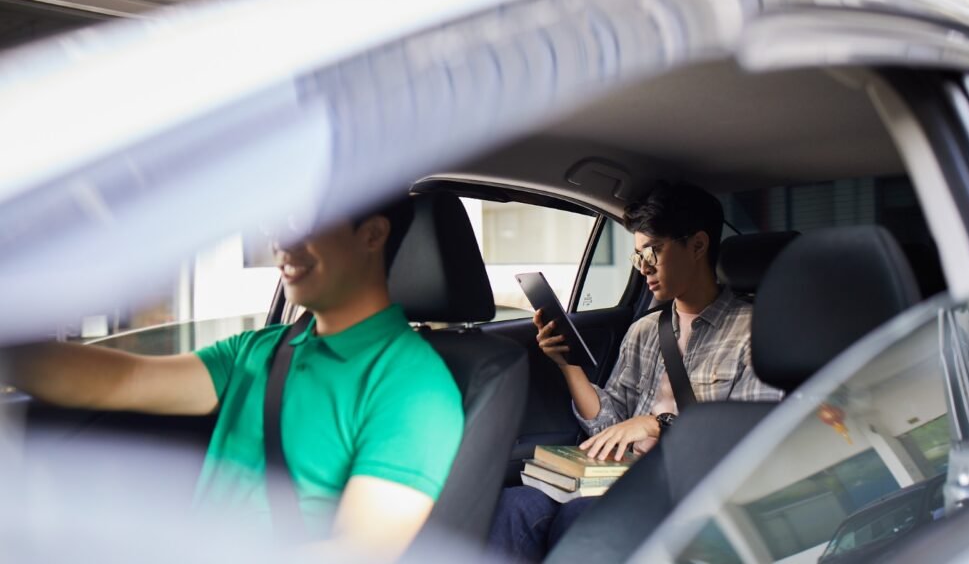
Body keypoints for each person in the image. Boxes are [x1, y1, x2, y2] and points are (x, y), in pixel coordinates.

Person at [3, 197, 464, 561]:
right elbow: (123, 380)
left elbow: (354, 554)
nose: (281, 240)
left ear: (373, 235)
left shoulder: (415, 388)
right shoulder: (260, 350)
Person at [488, 183, 782, 562]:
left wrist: (658, 426)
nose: (643, 267)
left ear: (697, 245)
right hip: (622, 474)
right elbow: (610, 423)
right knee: (514, 506)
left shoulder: (755, 332)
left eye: (653, 251)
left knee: (584, 515)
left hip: (687, 488)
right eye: (638, 255)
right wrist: (568, 364)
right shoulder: (645, 330)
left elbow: (753, 439)